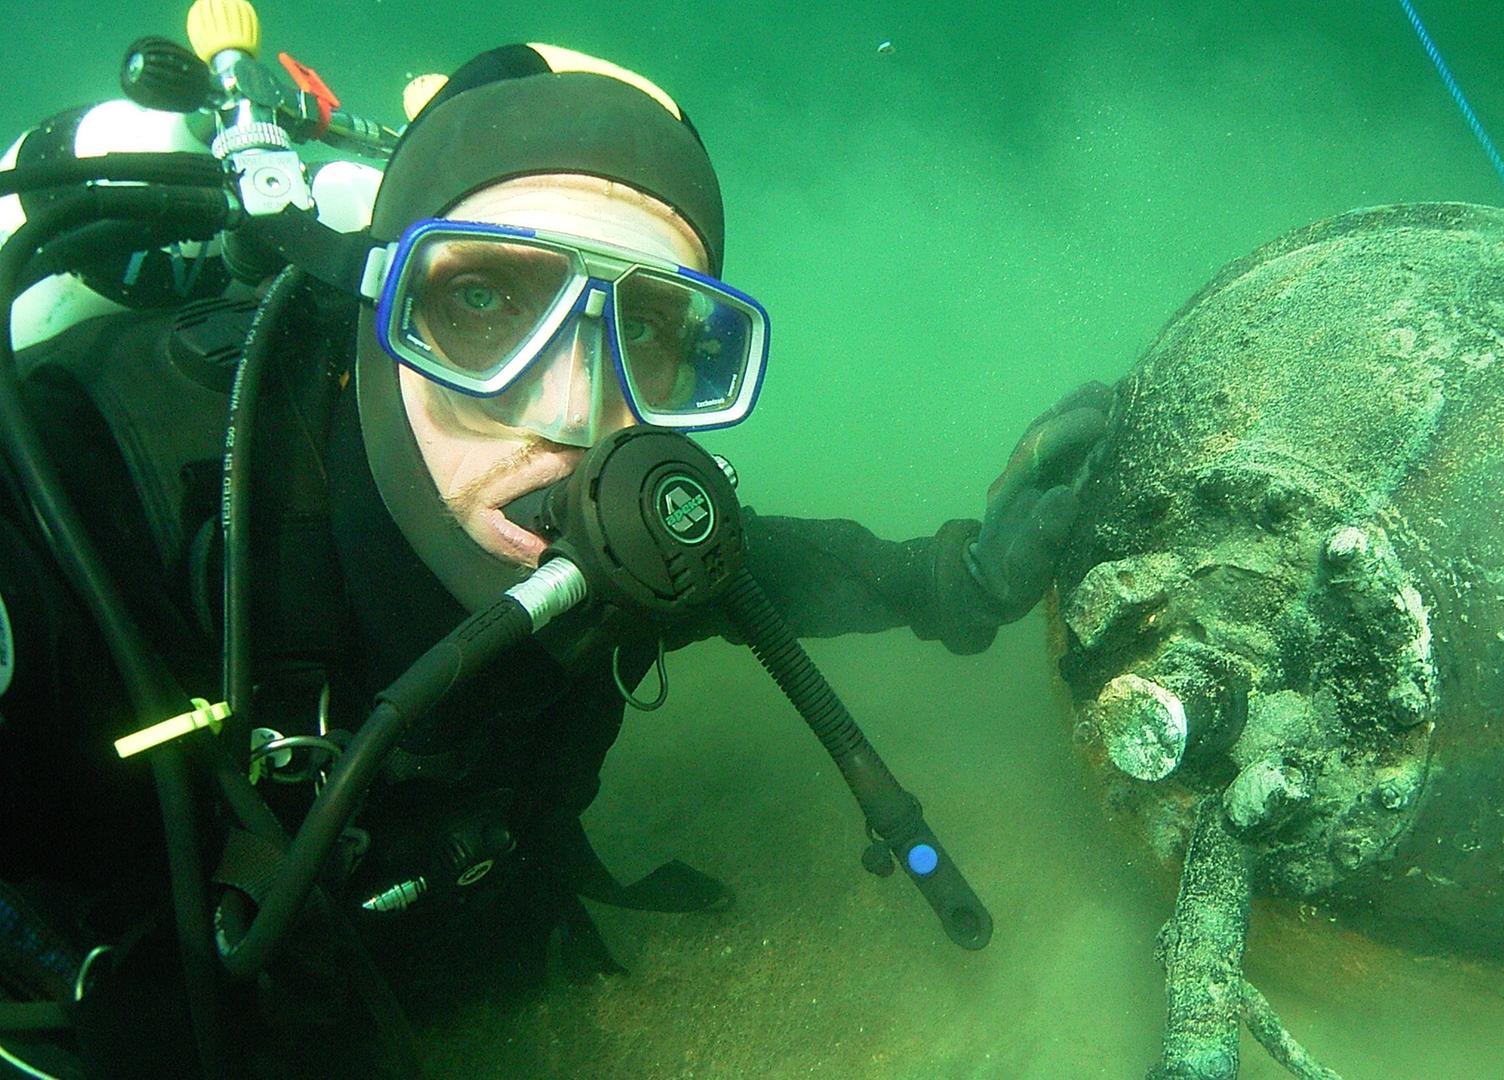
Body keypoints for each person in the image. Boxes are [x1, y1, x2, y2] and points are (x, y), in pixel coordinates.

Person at [0, 42, 1108, 1078]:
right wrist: (70, 972)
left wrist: (954, 584)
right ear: (372, 306)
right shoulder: (89, 492)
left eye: (656, 333)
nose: (579, 412)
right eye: (483, 302)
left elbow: (760, 565)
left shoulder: (607, 511)